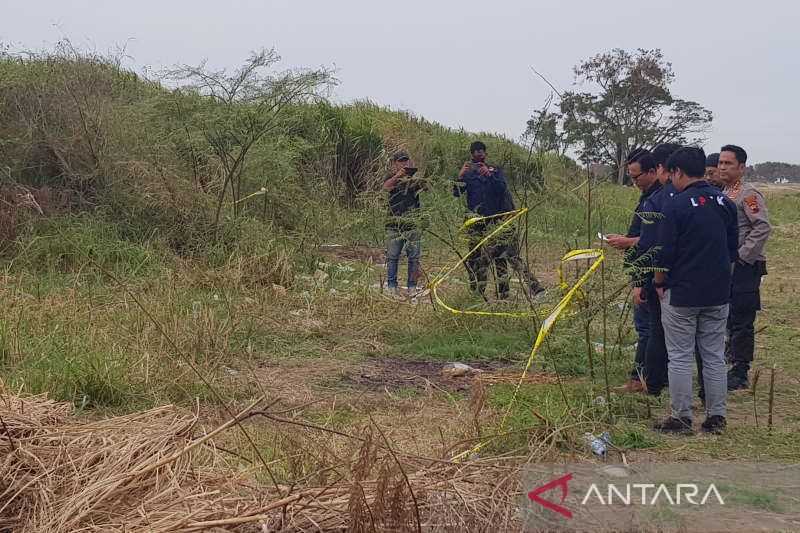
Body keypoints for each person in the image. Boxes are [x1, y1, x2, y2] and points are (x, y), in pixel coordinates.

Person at [652, 147, 738, 435]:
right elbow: (731, 252)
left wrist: (659, 283)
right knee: (714, 355)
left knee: (679, 355)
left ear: (676, 172)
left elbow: (663, 254)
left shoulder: (674, 206)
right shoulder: (725, 203)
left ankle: (681, 417)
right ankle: (716, 417)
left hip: (682, 293)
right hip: (718, 293)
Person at [453, 141, 543, 299]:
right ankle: (476, 292)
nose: (479, 154)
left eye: (481, 151)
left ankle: (504, 293)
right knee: (475, 258)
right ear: (471, 155)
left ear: (486, 154)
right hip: (476, 223)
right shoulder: (467, 174)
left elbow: (502, 188)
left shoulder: (495, 171)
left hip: (498, 222)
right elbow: (457, 193)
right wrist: (460, 176)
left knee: (501, 257)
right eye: (475, 152)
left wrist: (489, 174)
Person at [718, 144, 771, 390]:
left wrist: (742, 256)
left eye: (728, 163)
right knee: (726, 316)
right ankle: (728, 361)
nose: (722, 167)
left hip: (744, 266)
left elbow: (762, 227)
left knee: (741, 318)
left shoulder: (748, 195)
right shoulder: (724, 192)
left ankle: (740, 370)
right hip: (724, 265)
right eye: (720, 163)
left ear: (741, 167)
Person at [607, 148, 660, 392]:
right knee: (647, 327)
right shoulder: (648, 196)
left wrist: (628, 242)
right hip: (641, 269)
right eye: (630, 176)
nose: (633, 182)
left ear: (653, 171)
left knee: (647, 328)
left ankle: (641, 379)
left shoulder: (659, 199)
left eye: (636, 177)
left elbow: (657, 240)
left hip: (649, 273)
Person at [635, 142, 681, 396]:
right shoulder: (709, 199)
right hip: (692, 281)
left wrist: (648, 282)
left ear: (662, 168)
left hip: (663, 281)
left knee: (657, 330)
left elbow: (652, 247)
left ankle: (653, 383)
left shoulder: (660, 201)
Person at [383, 150, 425, 297]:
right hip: (393, 224)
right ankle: (392, 286)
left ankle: (412, 288)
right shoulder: (390, 176)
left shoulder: (414, 179)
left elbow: (427, 188)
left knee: (414, 257)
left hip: (413, 224)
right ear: (395, 163)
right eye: (401, 161)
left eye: (406, 160)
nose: (404, 163)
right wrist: (398, 176)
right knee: (393, 256)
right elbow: (386, 187)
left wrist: (418, 180)